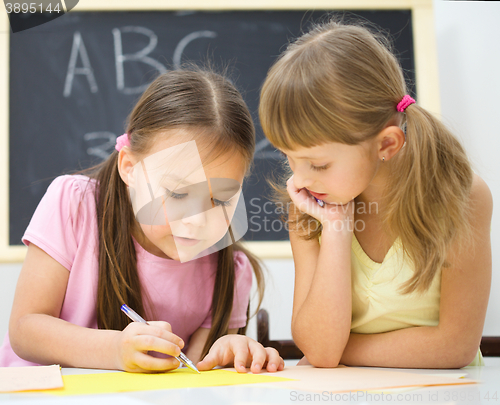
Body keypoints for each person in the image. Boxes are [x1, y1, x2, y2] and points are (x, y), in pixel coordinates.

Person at [1, 68, 284, 374]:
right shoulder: (75, 204)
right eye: (177, 194)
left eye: (221, 200)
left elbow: (194, 377)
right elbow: (24, 329)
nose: (197, 222)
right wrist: (113, 351)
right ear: (130, 168)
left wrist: (229, 352)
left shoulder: (230, 270)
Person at [259, 19, 492, 368]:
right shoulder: (309, 209)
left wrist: (340, 351)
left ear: (386, 143)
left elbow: (454, 346)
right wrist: (336, 231)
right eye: (288, 157)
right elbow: (321, 351)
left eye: (318, 164)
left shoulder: (461, 196)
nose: (299, 179)